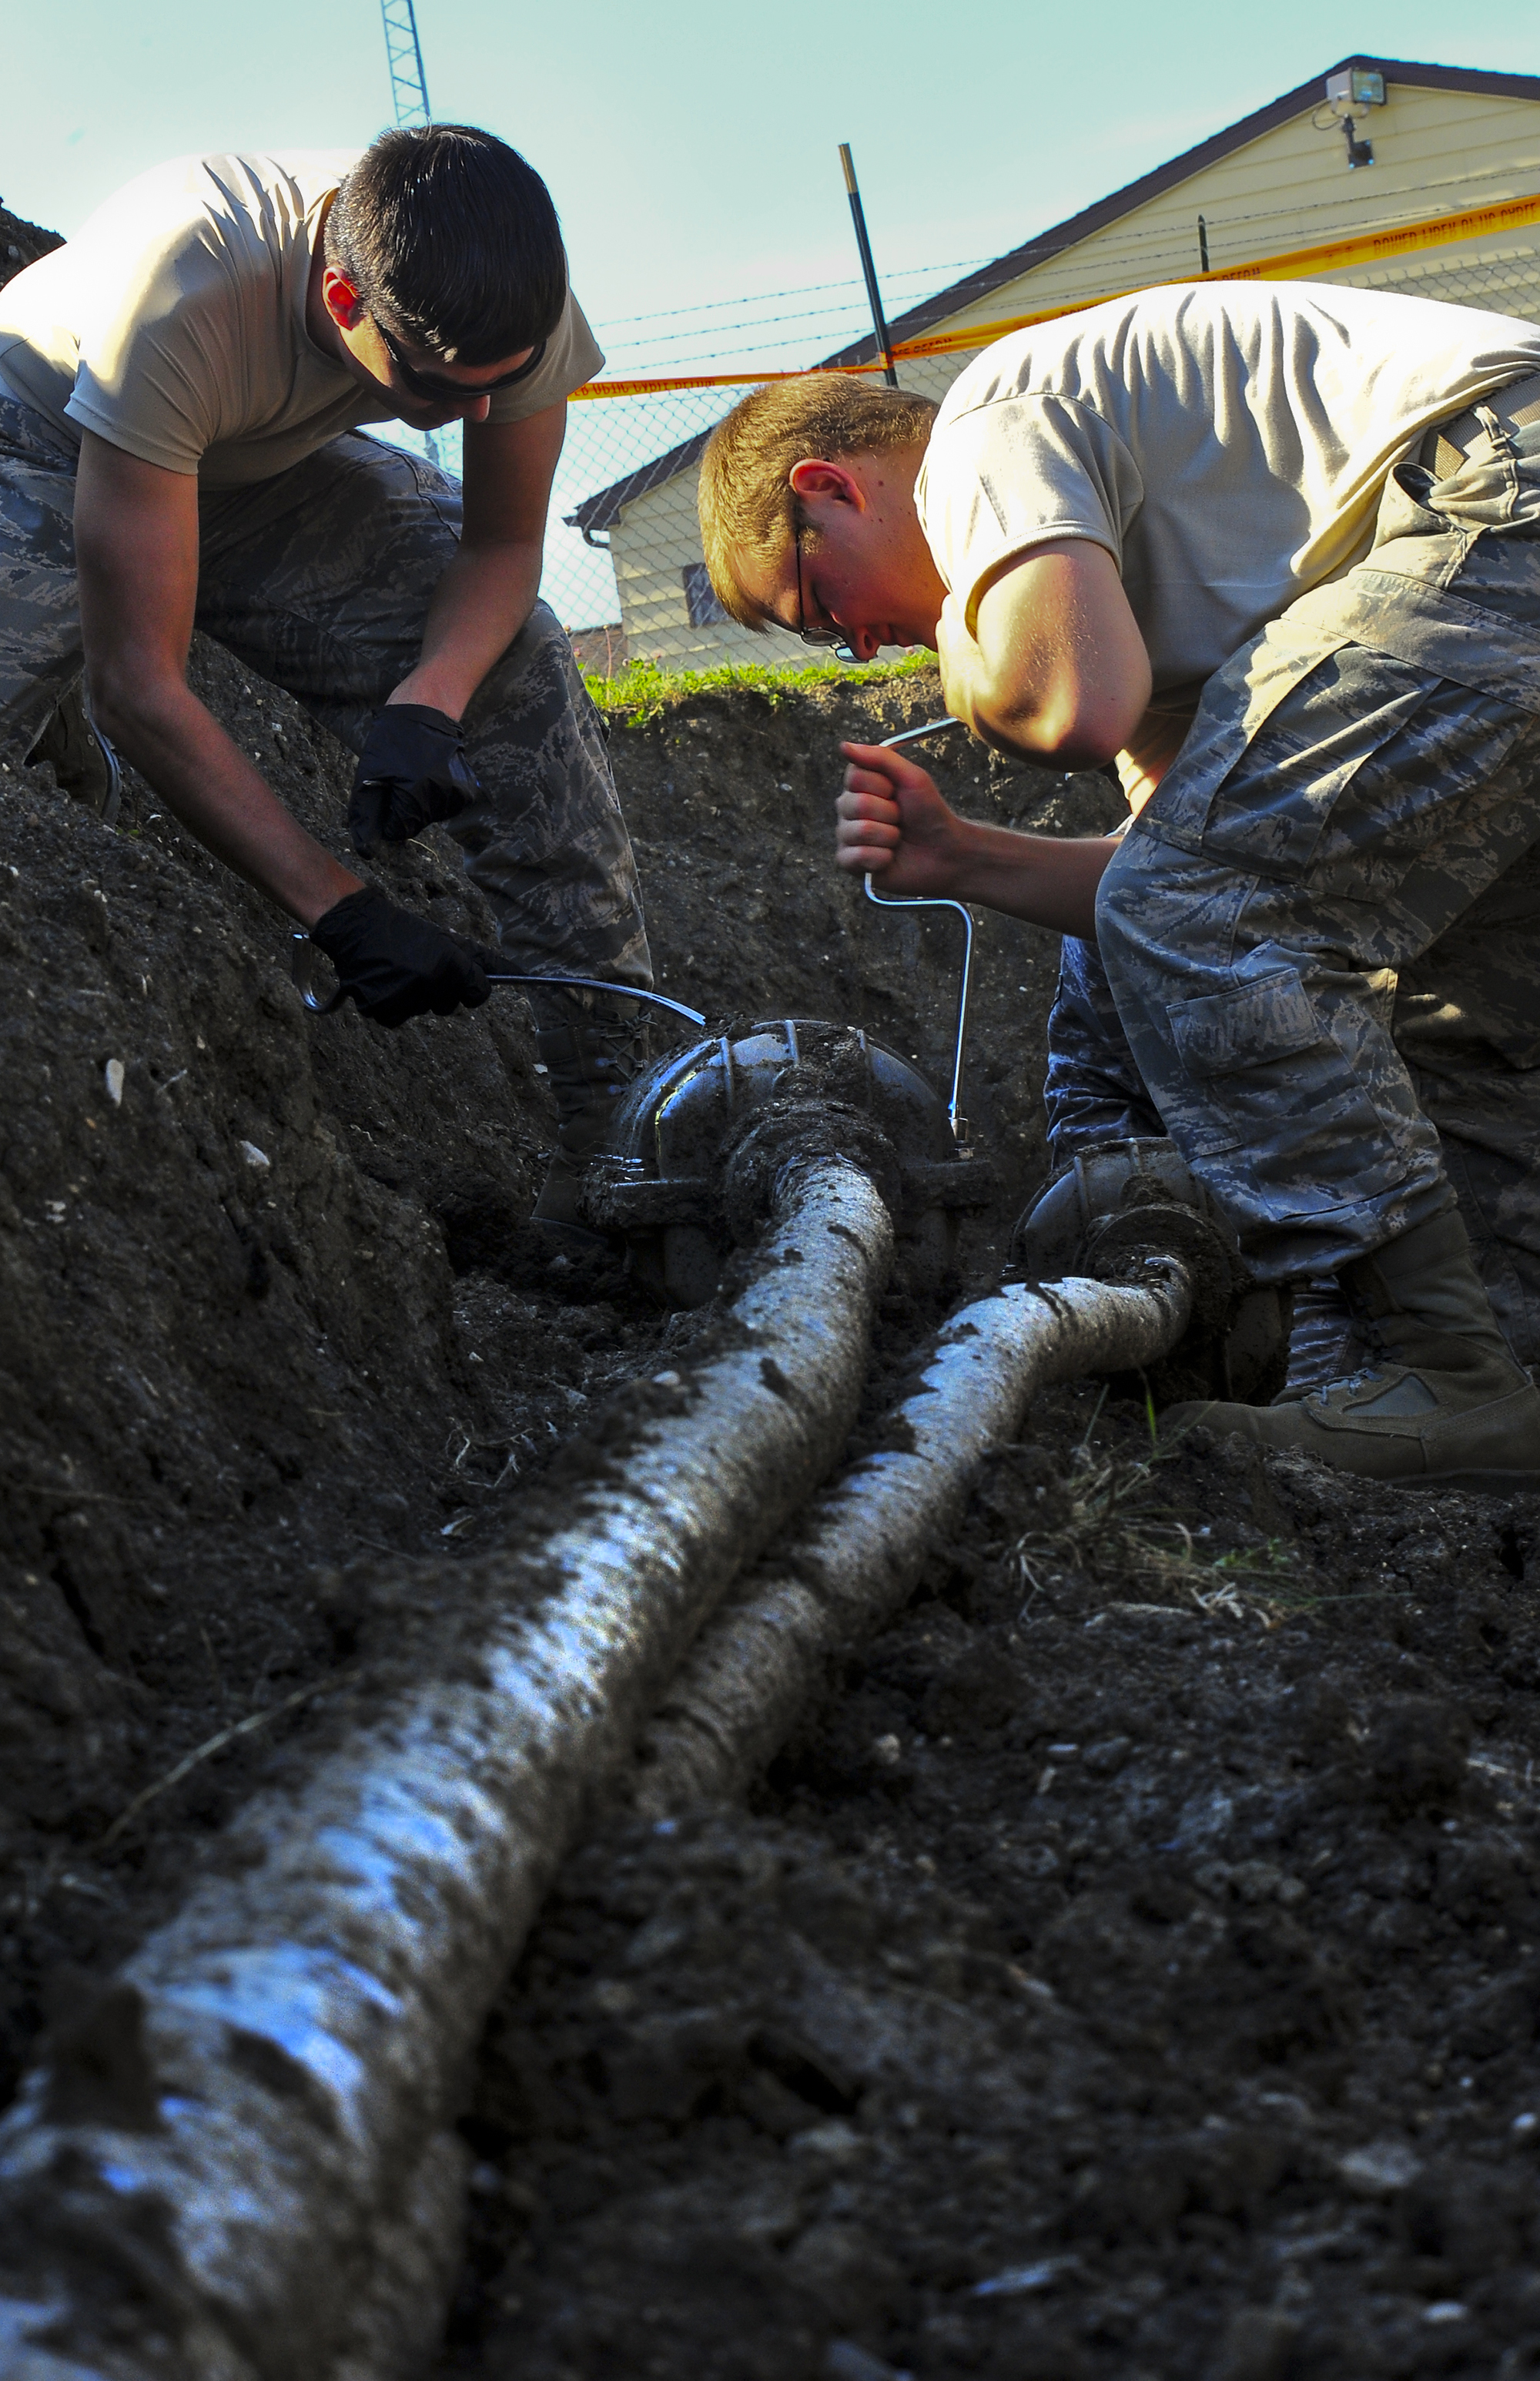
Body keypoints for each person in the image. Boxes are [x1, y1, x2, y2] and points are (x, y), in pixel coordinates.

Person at [696, 283, 1540, 1486]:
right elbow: (1176, 890)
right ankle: (1482, 1374)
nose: (864, 646)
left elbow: (1070, 716)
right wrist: (961, 858)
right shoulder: (1180, 577)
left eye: (823, 609)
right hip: (1496, 558)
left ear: (827, 489)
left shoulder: (987, 428)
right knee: (1450, 995)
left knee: (1213, 912)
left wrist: (967, 658)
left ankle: (1444, 1369)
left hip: (1500, 496)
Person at [0, 125, 654, 1239]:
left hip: (254, 466)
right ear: (343, 297)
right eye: (440, 391)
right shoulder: (184, 291)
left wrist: (428, 701)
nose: (480, 417)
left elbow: (499, 554)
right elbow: (140, 684)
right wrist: (340, 910)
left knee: (523, 667)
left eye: (501, 387)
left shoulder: (503, 311)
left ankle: (626, 1148)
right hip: (47, 441)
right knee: (50, 667)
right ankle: (51, 776)